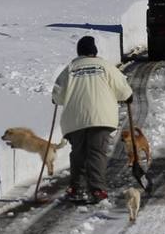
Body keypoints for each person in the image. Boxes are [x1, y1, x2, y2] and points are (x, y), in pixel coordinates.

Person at [51, 35, 133, 202]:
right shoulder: (105, 66)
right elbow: (123, 90)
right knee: (96, 153)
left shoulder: (71, 68)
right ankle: (97, 190)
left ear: (79, 52)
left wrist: (56, 98)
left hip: (75, 119)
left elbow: (58, 96)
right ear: (94, 52)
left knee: (78, 154)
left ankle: (76, 188)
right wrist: (128, 97)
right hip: (101, 117)